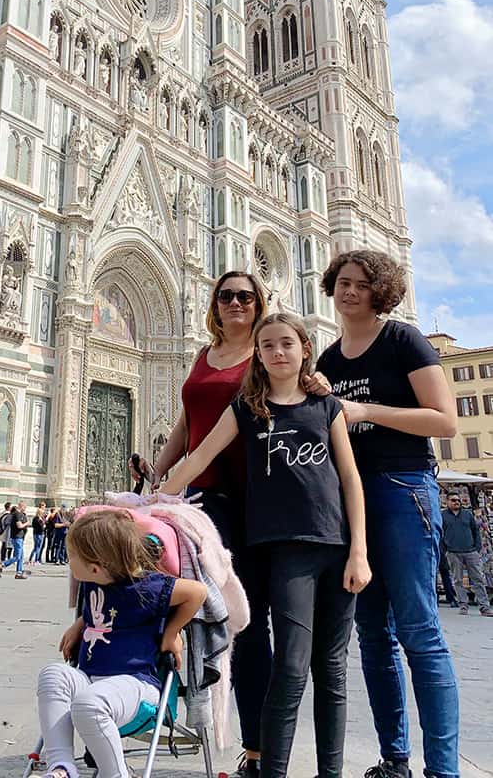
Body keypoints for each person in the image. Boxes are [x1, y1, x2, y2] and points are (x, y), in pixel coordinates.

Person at [161, 313, 370, 778]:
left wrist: (359, 550)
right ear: (257, 354)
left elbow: (350, 479)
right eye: (268, 345)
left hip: (334, 546)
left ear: (304, 350)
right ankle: (272, 770)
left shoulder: (327, 407)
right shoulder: (245, 410)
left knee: (332, 670)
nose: (278, 352)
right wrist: (155, 498)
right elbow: (198, 456)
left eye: (287, 344)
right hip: (284, 548)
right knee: (292, 666)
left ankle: (329, 773)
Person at [317, 249, 459, 778]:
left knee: (420, 631)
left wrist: (365, 411)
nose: (349, 291)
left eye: (360, 284)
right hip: (352, 502)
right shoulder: (328, 361)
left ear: (381, 291)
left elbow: (445, 422)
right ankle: (393, 758)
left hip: (404, 489)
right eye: (342, 283)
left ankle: (442, 769)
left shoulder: (403, 340)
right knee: (373, 636)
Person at [131, 271, 278, 776]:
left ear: (260, 304)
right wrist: (157, 474)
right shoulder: (203, 354)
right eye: (226, 296)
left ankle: (257, 749)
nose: (235, 302)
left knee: (247, 623)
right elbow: (186, 424)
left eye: (245, 296)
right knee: (170, 605)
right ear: (214, 304)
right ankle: (136, 711)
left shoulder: (267, 353)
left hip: (251, 501)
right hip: (197, 501)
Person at [36, 510, 207, 778]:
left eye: (71, 557)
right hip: (91, 680)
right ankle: (62, 767)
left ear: (95, 567)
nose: (68, 562)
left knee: (89, 704)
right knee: (53, 675)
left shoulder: (146, 588)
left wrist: (172, 632)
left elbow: (198, 592)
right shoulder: (94, 582)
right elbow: (104, 610)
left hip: (136, 686)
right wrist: (80, 623)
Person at [442, 492, 492, 617]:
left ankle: (484, 607)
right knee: (458, 580)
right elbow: (439, 534)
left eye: (458, 500)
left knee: (478, 579)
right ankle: (463, 605)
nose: (457, 502)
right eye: (453, 500)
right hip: (453, 552)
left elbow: (475, 530)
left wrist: (477, 547)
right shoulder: (443, 516)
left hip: (470, 551)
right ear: (447, 502)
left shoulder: (467, 514)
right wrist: (445, 550)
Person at [0, 500, 28, 579]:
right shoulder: (17, 514)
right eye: (24, 507)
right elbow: (19, 526)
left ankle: (19, 573)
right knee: (17, 556)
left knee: (21, 556)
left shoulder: (19, 514)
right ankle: (3, 564)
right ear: (21, 506)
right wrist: (26, 523)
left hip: (19, 537)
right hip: (17, 537)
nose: (25, 509)